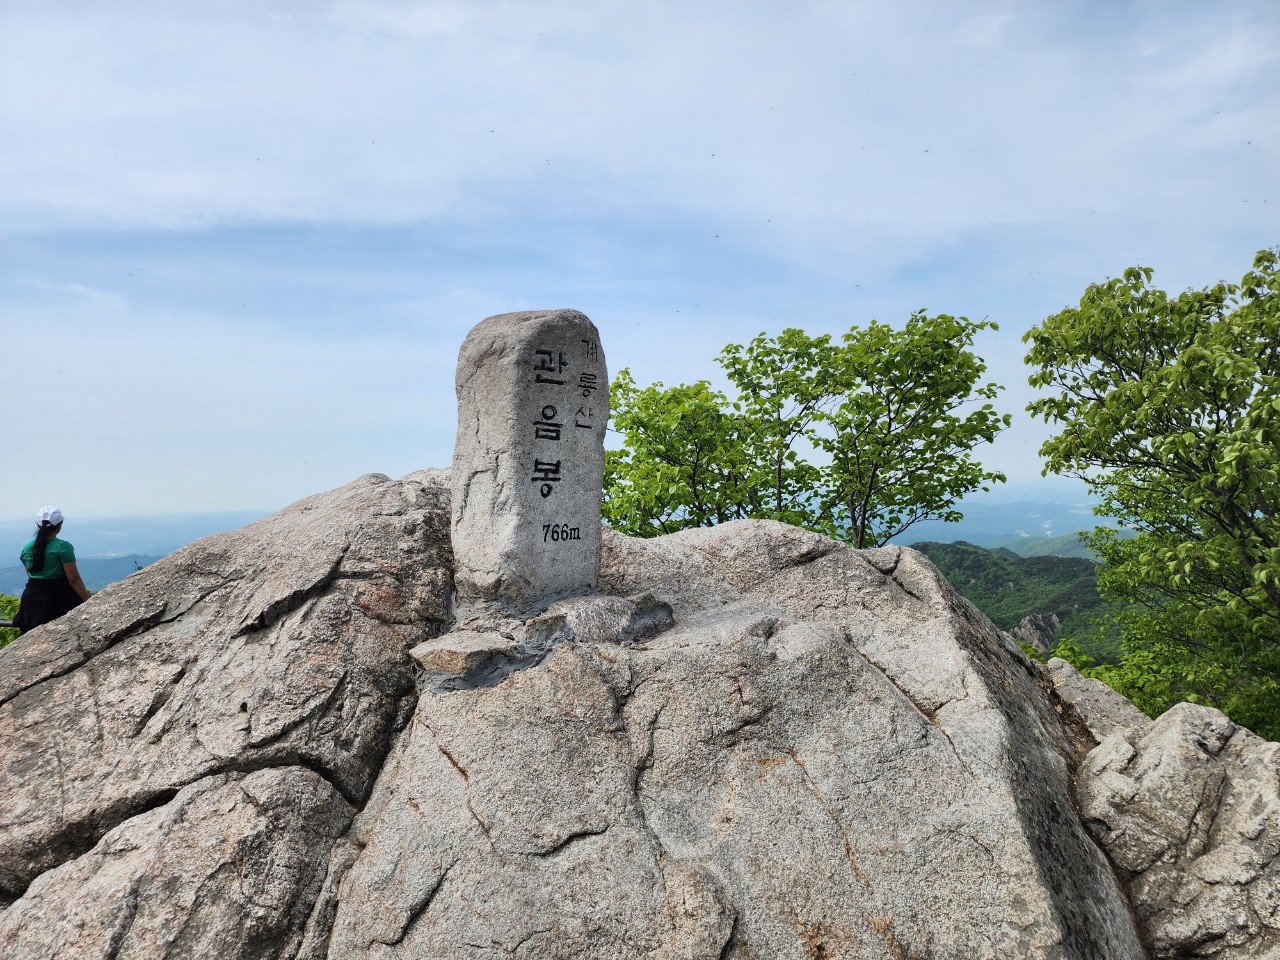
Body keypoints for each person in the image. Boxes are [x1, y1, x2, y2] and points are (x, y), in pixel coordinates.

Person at [13, 506, 90, 632]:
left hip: (31, 602)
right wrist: (88, 601)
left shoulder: (28, 547)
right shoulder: (63, 547)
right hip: (60, 600)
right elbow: (73, 579)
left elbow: (31, 573)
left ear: (38, 525)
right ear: (59, 526)